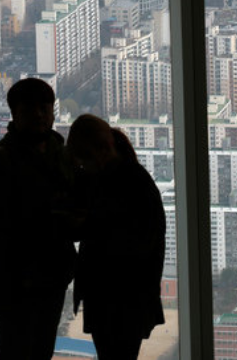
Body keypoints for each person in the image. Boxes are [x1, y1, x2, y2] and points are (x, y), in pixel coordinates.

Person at [0, 78, 77, 360]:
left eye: (45, 108)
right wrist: (2, 291)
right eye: (31, 109)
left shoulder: (62, 157)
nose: (40, 115)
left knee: (40, 352)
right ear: (15, 114)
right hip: (15, 292)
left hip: (52, 281)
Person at [67, 114, 165, 359]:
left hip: (121, 300)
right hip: (122, 300)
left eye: (84, 160)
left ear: (100, 152)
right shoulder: (116, 178)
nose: (82, 167)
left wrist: (87, 224)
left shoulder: (129, 185)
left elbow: (131, 246)